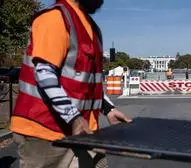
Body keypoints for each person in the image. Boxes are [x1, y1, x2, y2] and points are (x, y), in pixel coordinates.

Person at [10, 0, 132, 167]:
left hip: (83, 131)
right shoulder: (55, 18)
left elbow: (87, 82)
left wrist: (108, 109)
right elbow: (45, 75)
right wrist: (73, 118)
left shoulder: (91, 28)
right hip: (45, 133)